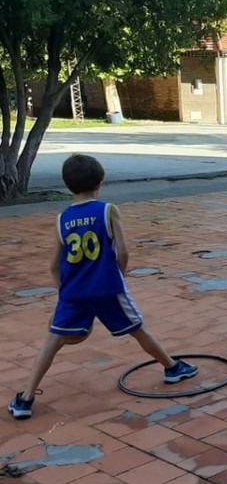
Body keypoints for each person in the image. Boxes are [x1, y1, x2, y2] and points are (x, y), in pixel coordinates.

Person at [8, 155, 198, 420]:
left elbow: (53, 265)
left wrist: (63, 294)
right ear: (100, 182)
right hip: (107, 288)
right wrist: (118, 275)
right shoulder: (108, 210)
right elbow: (124, 251)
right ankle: (172, 368)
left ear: (67, 185)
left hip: (73, 292)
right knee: (137, 329)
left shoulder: (61, 219)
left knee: (52, 343)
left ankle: (25, 398)